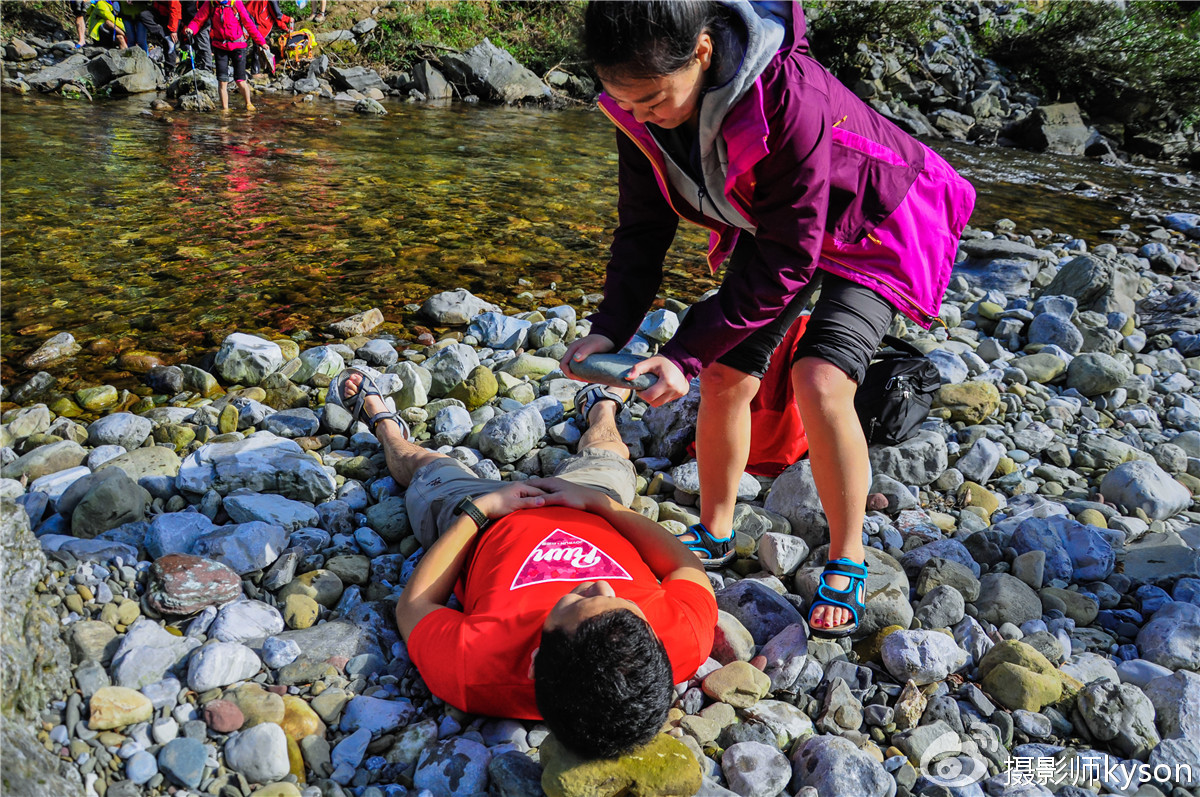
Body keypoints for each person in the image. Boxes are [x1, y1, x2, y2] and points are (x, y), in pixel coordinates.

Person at [564, 1, 976, 639]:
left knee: (819, 377)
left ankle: (848, 554)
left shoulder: (789, 99)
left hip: (876, 221)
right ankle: (717, 529)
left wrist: (680, 355)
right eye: (625, 101)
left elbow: (788, 261)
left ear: (702, 52)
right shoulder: (639, 103)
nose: (638, 114)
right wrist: (608, 330)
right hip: (781, 216)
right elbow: (644, 229)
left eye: (651, 99)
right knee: (728, 375)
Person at [330, 367, 717, 758]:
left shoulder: (473, 670)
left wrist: (480, 511)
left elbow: (413, 607)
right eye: (631, 609)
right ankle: (601, 407)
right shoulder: (678, 642)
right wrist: (604, 506)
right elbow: (687, 568)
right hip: (590, 504)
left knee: (425, 470)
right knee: (612, 459)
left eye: (579, 601)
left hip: (482, 523)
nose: (604, 585)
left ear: (534, 662)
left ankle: (385, 426)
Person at [183, 0, 268, 111]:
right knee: (222, 81)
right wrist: (190, 29)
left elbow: (248, 23)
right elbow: (198, 20)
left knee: (240, 80)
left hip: (238, 46)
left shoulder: (236, 3)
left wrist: (262, 42)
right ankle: (225, 110)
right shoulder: (211, 4)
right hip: (220, 46)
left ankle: (248, 103)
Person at [179, 1, 212, 71]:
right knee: (197, 45)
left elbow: (192, 10)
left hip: (201, 23)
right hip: (193, 22)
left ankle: (207, 68)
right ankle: (200, 64)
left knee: (203, 46)